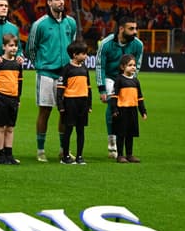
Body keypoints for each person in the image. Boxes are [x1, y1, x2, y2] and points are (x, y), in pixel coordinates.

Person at [28, 0, 77, 162]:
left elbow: (74, 47)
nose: (61, 2)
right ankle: (40, 150)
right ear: (49, 2)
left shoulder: (70, 23)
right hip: (47, 73)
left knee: (65, 112)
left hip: (65, 75)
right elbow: (31, 49)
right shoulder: (39, 25)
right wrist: (41, 65)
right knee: (45, 110)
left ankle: (64, 150)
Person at [95, 16, 144, 158]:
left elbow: (138, 66)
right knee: (112, 103)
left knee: (126, 108)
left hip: (127, 79)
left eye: (135, 28)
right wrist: (102, 89)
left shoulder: (138, 45)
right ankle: (112, 141)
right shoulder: (106, 44)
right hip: (111, 77)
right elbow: (100, 66)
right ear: (121, 28)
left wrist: (130, 82)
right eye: (131, 29)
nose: (135, 32)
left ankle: (123, 146)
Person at [56, 40, 91, 165]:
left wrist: (89, 105)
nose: (85, 56)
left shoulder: (85, 69)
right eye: (83, 53)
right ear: (75, 55)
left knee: (81, 130)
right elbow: (60, 90)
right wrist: (60, 105)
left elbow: (89, 88)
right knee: (68, 130)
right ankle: (65, 156)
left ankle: (79, 156)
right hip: (70, 103)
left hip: (82, 103)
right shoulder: (66, 69)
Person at [110, 54, 148, 163]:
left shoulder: (136, 81)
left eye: (134, 65)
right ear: (122, 67)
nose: (133, 67)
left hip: (132, 110)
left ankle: (129, 154)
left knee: (130, 133)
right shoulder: (119, 80)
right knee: (121, 134)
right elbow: (114, 96)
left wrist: (143, 111)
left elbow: (140, 97)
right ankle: (120, 155)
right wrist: (114, 110)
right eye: (130, 65)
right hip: (122, 111)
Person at [0, 33, 24, 165]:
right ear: (3, 47)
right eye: (10, 45)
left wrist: (18, 98)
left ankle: (9, 154)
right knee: (1, 127)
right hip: (1, 98)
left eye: (15, 46)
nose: (13, 48)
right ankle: (0, 154)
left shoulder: (18, 64)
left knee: (10, 127)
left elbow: (20, 82)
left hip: (13, 98)